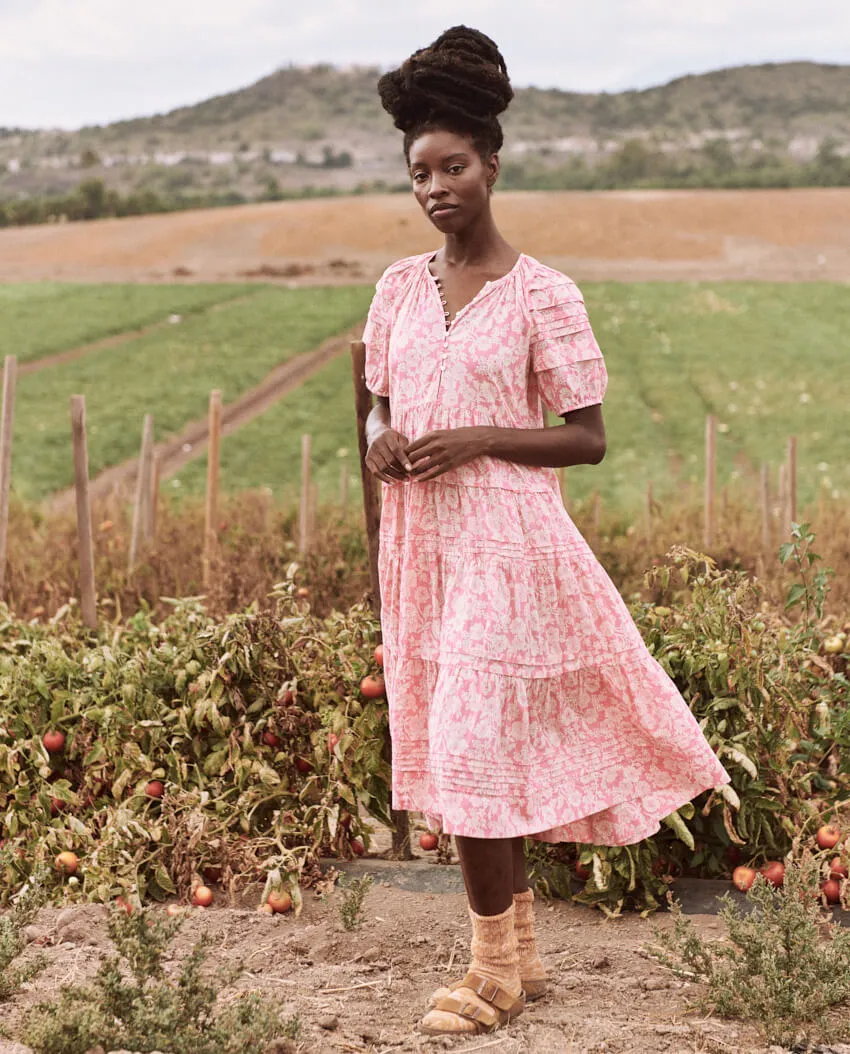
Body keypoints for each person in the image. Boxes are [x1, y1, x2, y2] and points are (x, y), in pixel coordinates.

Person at [363, 25, 731, 1037]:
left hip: (510, 549)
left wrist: (476, 435)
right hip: (422, 549)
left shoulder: (542, 296)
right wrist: (383, 438)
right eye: (420, 173)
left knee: (477, 749)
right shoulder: (399, 288)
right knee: (451, 744)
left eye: (454, 166)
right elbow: (376, 401)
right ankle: (520, 956)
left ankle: (486, 975)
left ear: (492, 164)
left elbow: (589, 439)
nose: (436, 187)